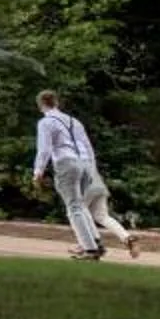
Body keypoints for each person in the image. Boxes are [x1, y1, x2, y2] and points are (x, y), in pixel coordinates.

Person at [31, 90, 136, 259]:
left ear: (40, 105)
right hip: (85, 164)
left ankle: (90, 248)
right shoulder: (75, 122)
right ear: (56, 102)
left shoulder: (46, 122)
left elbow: (45, 149)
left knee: (74, 208)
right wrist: (91, 169)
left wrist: (38, 172)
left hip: (67, 163)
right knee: (82, 207)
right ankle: (95, 242)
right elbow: (87, 147)